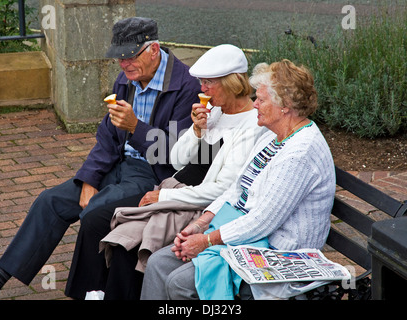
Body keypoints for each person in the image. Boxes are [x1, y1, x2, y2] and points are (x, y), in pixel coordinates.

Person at [0, 17, 200, 300]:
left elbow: (178, 154)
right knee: (51, 200)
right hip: (118, 165)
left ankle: (89, 294)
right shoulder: (127, 79)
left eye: (129, 56)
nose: (123, 64)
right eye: (118, 57)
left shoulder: (188, 86)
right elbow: (107, 136)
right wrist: (90, 179)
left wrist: (135, 127)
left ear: (153, 49)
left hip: (154, 175)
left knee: (95, 211)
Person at [64, 44, 266, 299]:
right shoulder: (215, 112)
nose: (201, 89)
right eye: (201, 82)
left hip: (196, 205)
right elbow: (179, 161)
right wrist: (196, 131)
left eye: (208, 83)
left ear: (231, 83)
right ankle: (92, 293)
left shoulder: (250, 126)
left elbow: (221, 190)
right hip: (175, 189)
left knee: (127, 244)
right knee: (101, 222)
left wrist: (164, 198)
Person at [140, 59, 336, 300]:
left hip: (278, 251)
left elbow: (262, 221)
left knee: (181, 284)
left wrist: (207, 240)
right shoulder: (272, 137)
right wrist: (201, 224)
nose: (254, 105)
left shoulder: (300, 154)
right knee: (159, 262)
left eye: (261, 100)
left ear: (284, 106)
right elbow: (237, 188)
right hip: (244, 234)